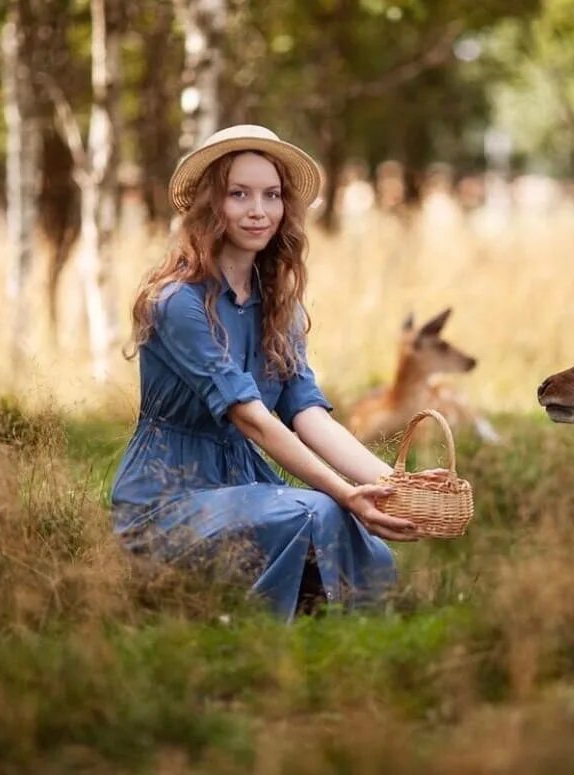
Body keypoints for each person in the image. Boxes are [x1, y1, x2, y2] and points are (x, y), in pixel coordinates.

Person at [111, 124, 419, 618]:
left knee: (368, 549)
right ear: (212, 205)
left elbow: (308, 414)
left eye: (272, 195)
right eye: (239, 194)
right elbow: (252, 419)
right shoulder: (177, 303)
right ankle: (250, 627)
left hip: (246, 487)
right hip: (168, 499)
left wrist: (400, 490)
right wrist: (343, 493)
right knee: (320, 512)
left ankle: (327, 629)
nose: (259, 210)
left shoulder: (279, 306)